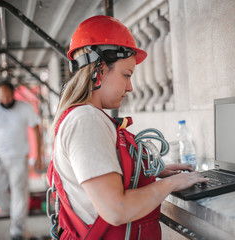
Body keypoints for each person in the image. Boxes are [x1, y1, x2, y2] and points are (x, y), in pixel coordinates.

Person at [49, 15, 208, 239]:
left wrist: (148, 170)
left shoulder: (85, 117)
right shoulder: (85, 120)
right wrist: (172, 183)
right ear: (99, 69)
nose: (131, 87)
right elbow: (116, 210)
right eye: (126, 75)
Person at [0, 81, 43, 240]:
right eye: (2, 97)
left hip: (19, 159)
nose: (5, 100)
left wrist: (38, 157)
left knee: (19, 194)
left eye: (7, 96)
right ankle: (15, 216)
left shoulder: (24, 108)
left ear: (13, 94)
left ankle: (18, 231)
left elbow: (36, 129)